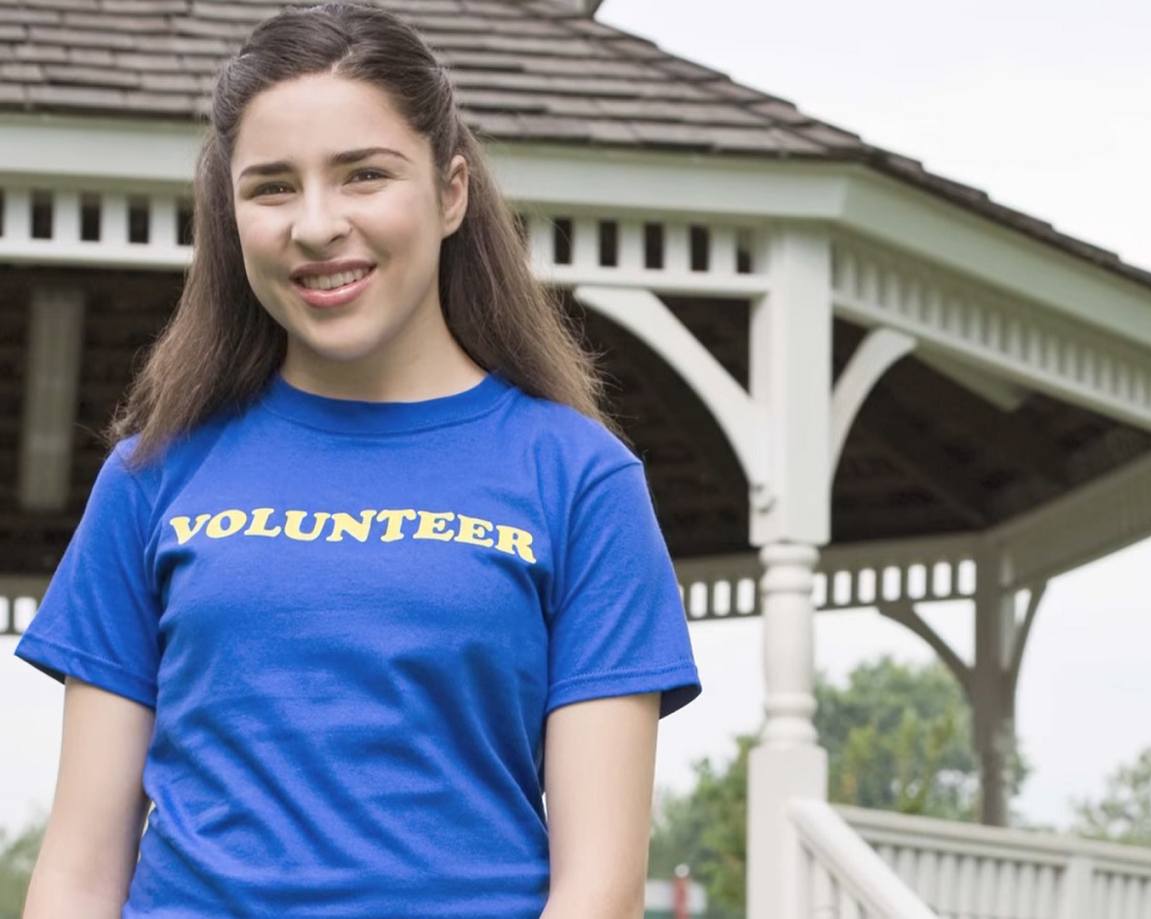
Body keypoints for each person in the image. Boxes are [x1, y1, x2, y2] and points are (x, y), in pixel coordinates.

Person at [12, 3, 702, 917]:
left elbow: (599, 892)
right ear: (230, 212)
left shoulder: (580, 479)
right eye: (271, 187)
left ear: (451, 191)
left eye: (363, 175)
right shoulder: (151, 475)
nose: (316, 224)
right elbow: (78, 870)